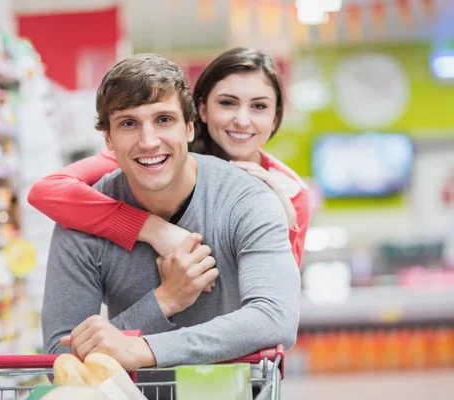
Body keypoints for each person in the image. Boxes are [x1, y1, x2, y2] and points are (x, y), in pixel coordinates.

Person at [41, 53, 300, 370]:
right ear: (107, 139)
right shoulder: (82, 220)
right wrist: (165, 300)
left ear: (190, 128)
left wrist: (146, 349)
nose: (148, 141)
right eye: (128, 124)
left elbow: (275, 318)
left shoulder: (249, 199)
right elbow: (60, 358)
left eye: (164, 119)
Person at [28, 48, 310, 267]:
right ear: (200, 110)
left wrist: (284, 224)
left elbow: (279, 304)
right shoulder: (160, 155)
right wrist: (150, 228)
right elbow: (47, 191)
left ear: (275, 119)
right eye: (227, 103)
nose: (242, 120)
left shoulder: (290, 191)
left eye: (259, 106)